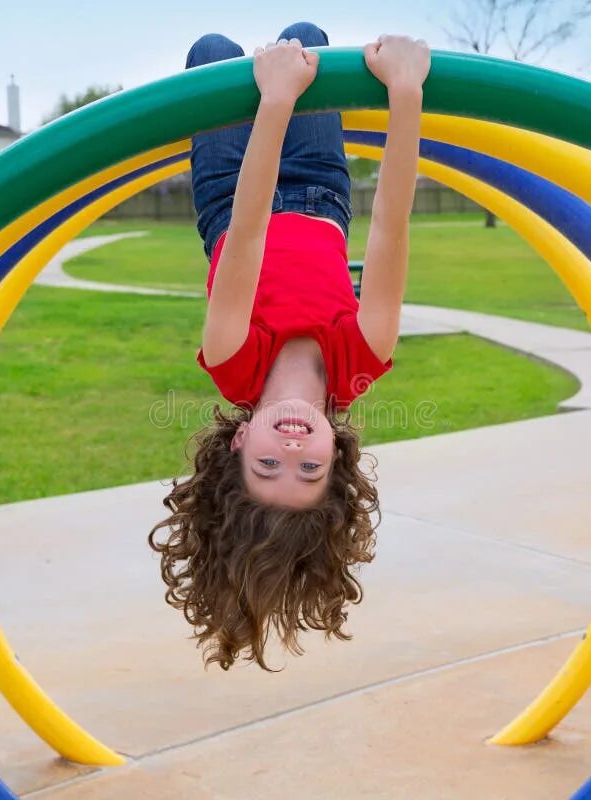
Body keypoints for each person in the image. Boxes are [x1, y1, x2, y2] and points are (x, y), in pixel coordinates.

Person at [149, 23, 430, 671]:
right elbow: (391, 227)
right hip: (318, 189)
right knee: (306, 38)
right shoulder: (364, 358)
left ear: (240, 444)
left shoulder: (231, 362)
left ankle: (261, 79)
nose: (295, 452)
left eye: (270, 466)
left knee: (213, 54)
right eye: (311, 471)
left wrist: (277, 101)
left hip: (227, 195)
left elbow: (245, 238)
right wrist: (405, 92)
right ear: (338, 456)